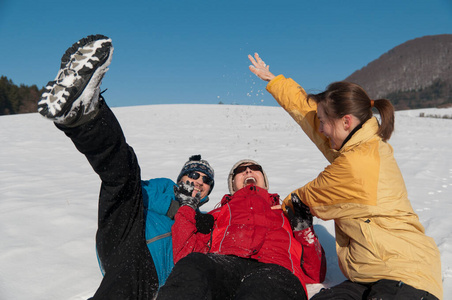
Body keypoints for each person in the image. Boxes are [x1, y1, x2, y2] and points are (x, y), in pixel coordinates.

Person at [248, 53, 443, 300]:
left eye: (323, 122)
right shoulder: (357, 142)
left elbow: (306, 198)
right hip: (368, 274)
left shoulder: (358, 163)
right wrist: (275, 82)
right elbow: (310, 115)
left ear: (346, 122)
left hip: (406, 274)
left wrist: (274, 207)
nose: (319, 129)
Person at [37, 34, 215, 299]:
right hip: (126, 235)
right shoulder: (165, 188)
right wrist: (177, 206)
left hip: (149, 273)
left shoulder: (204, 221)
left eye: (205, 180)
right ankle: (84, 115)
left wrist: (192, 215)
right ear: (181, 177)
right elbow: (133, 195)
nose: (198, 181)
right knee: (125, 175)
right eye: (193, 174)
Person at [157, 159, 326, 300]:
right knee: (193, 267)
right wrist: (187, 208)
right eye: (240, 170)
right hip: (226, 263)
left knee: (263, 292)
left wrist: (304, 229)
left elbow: (315, 273)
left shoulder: (286, 212)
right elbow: (185, 254)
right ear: (233, 184)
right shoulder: (217, 213)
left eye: (254, 168)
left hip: (275, 268)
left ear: (264, 181)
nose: (247, 171)